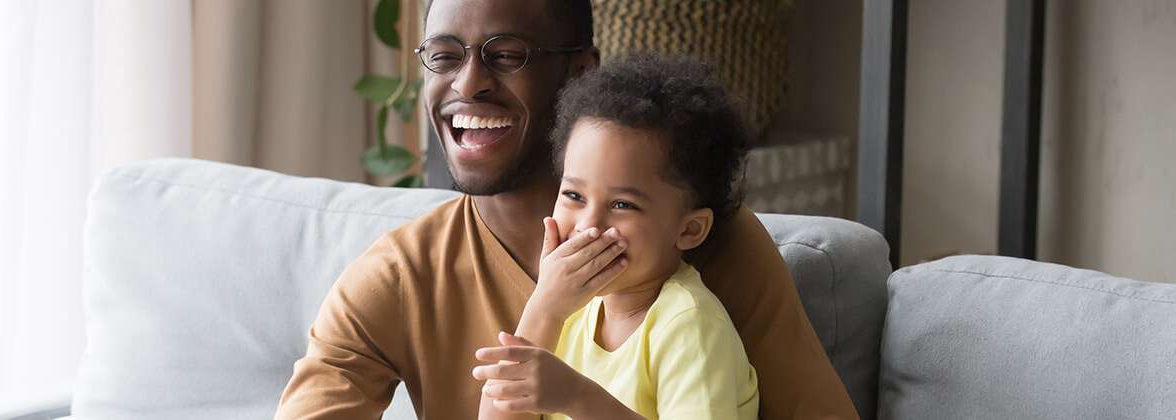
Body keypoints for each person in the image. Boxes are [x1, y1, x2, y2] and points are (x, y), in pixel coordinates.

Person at [274, 1, 858, 419]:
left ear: (580, 70)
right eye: (443, 56)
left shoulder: (717, 249)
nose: (468, 84)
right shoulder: (400, 275)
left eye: (505, 55)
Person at [472, 54, 760, 420]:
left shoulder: (689, 325)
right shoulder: (570, 310)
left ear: (689, 229)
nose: (588, 226)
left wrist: (578, 398)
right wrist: (544, 306)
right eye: (574, 196)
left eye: (622, 204)